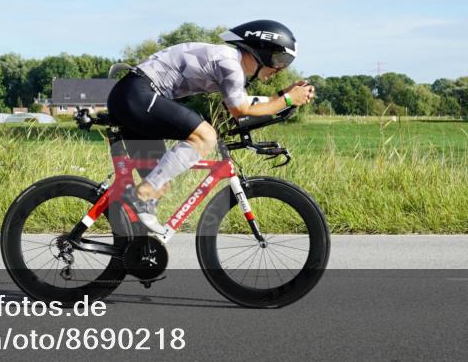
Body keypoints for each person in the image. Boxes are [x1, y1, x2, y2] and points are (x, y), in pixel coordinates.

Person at [105, 19, 316, 234]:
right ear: (261, 51)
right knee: (205, 137)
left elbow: (237, 107)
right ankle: (138, 198)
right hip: (136, 95)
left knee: (159, 183)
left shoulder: (231, 64)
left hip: (133, 96)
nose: (280, 69)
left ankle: (132, 248)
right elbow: (241, 110)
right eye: (280, 59)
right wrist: (288, 100)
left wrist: (282, 96)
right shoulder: (230, 64)